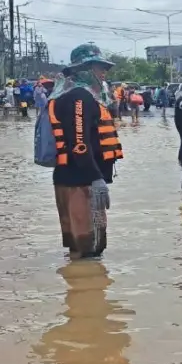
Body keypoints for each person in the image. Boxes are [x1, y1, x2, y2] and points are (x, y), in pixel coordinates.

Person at [49, 43, 123, 259]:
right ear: (85, 69)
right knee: (90, 250)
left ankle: (80, 287)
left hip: (75, 180)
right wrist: (95, 179)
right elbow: (79, 144)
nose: (104, 73)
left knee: (81, 251)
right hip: (80, 183)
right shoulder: (79, 98)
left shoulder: (72, 95)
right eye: (100, 67)